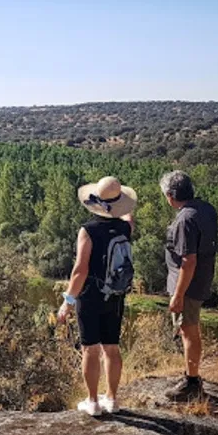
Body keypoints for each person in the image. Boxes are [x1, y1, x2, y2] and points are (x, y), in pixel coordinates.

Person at [57, 176, 137, 416]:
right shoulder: (124, 228)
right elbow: (128, 217)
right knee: (111, 348)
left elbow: (80, 270)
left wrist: (68, 301)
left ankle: (92, 401)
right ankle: (112, 399)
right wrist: (119, 207)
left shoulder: (88, 231)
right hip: (115, 295)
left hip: (90, 296)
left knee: (90, 349)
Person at [159, 170, 218, 401]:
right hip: (201, 279)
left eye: (166, 194)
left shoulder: (185, 219)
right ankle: (191, 377)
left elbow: (189, 260)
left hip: (189, 285)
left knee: (188, 330)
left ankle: (192, 383)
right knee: (190, 329)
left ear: (172, 194)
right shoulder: (205, 209)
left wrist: (178, 295)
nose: (166, 199)